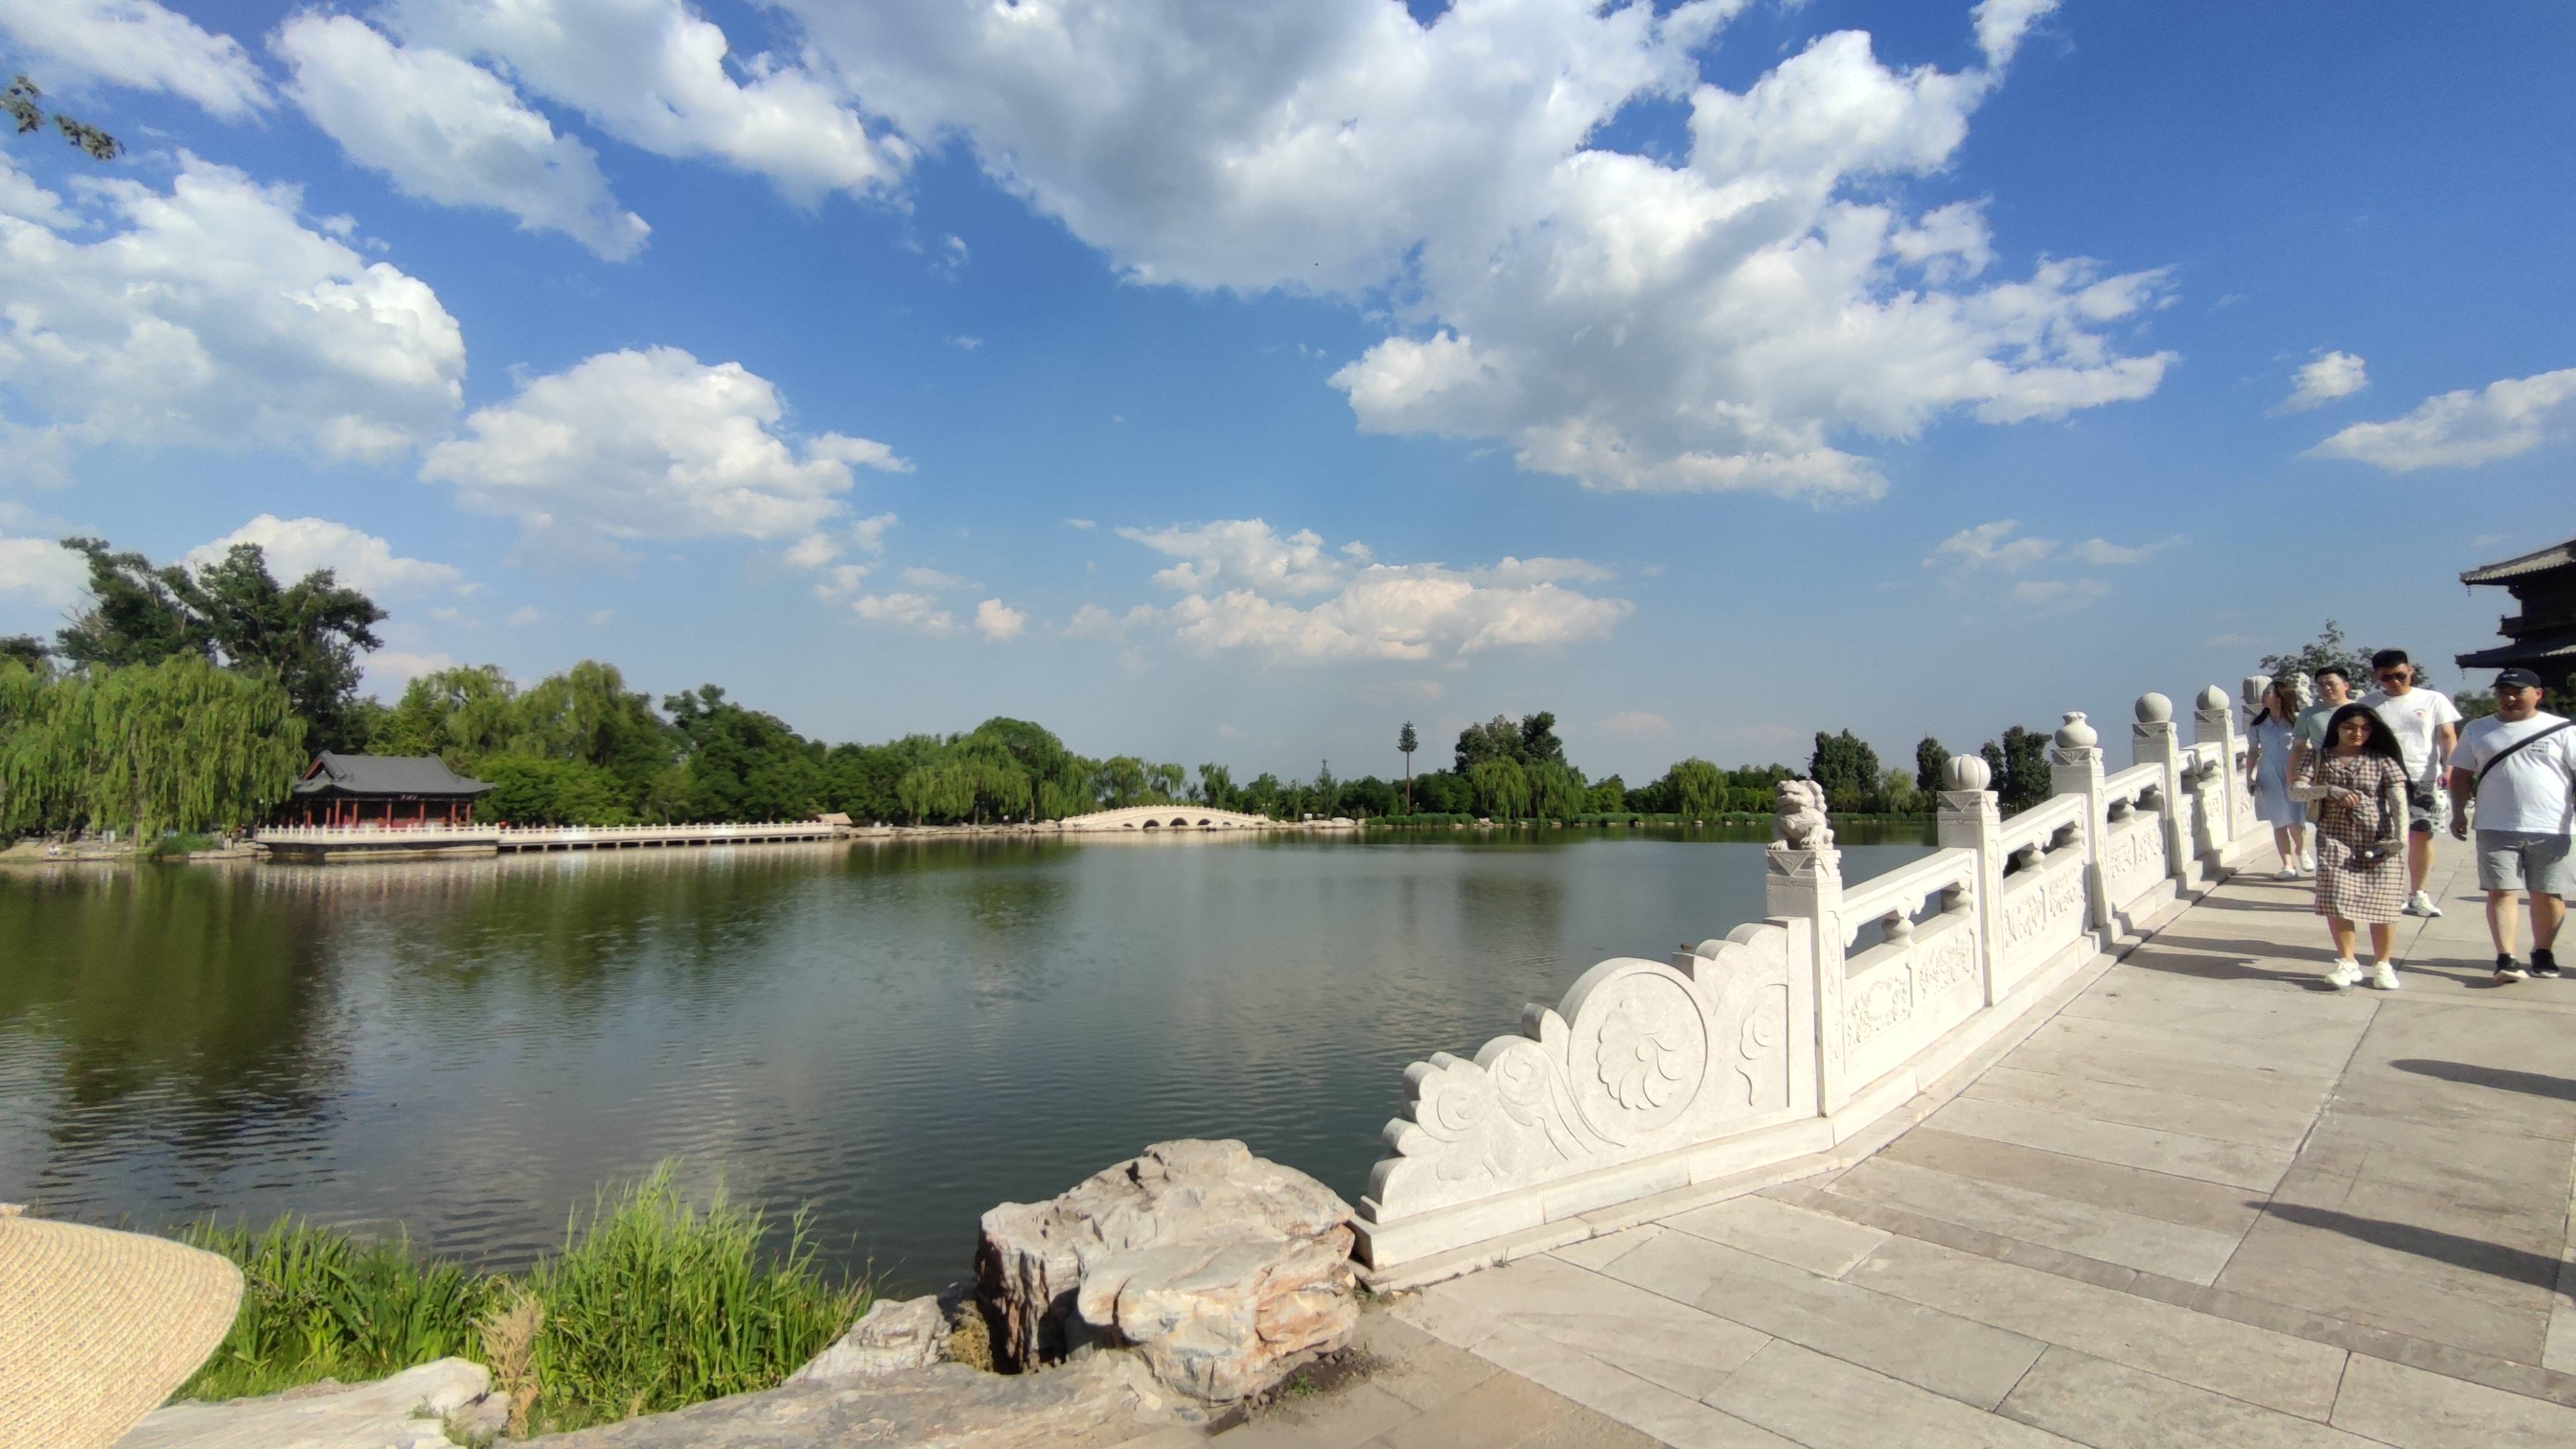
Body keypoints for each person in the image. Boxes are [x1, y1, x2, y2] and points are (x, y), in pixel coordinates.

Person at [2446, 667, 2576, 984]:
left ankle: (2543, 951)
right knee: (2501, 891)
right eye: (2504, 692)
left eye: (2518, 691)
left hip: (2552, 826)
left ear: (2538, 694)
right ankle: (2506, 956)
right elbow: (2461, 774)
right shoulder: (2478, 729)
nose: (2510, 698)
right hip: (2495, 823)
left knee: (2547, 894)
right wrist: (2459, 811)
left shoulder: (2562, 729)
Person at [2292, 704, 2411, 989]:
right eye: (2350, 727)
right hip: (2335, 837)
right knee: (2337, 899)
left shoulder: (2381, 760)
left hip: (2379, 839)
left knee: (2384, 903)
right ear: (2337, 728)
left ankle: (2383, 963)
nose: (2358, 733)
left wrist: (2401, 836)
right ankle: (2348, 961)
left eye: (2365, 728)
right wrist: (2329, 790)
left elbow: (2398, 799)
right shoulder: (2318, 757)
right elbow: (2296, 790)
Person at [2359, 649, 2462, 918]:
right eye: (2387, 678)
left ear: (2411, 671)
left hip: (2424, 777)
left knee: (2421, 836)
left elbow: (2447, 735)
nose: (2394, 682)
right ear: (2377, 677)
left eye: (2400, 676)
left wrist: (2450, 767)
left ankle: (2418, 893)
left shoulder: (2432, 699)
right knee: (2384, 837)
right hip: (2382, 779)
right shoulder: (2369, 704)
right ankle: (2386, 891)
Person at [2286, 665, 2351, 872]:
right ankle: (2329, 876)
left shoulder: (2360, 710)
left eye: (2331, 684)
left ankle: (2353, 872)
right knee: (2326, 829)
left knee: (2357, 827)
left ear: (2345, 685)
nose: (2326, 689)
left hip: (2358, 775)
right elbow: (2298, 746)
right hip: (2324, 776)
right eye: (2321, 685)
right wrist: (2294, 776)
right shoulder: (2309, 715)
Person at [2245, 677, 2308, 877]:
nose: (2265, 696)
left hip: (2294, 774)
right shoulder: (2258, 725)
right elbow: (2253, 752)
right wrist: (2250, 776)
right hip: (2268, 775)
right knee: (2278, 820)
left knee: (2296, 819)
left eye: (2268, 693)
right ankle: (2288, 865)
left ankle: (2302, 850)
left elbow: (2307, 748)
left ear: (2281, 697)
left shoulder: (2298, 721)